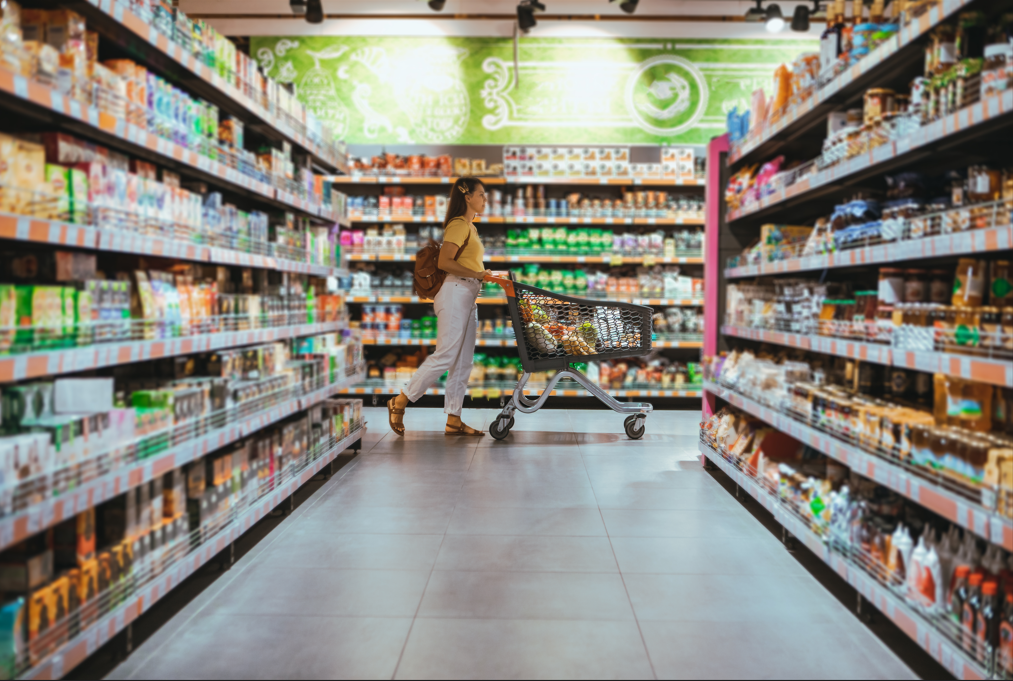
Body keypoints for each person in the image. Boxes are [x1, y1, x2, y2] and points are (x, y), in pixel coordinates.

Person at [387, 177, 491, 436]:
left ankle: (454, 418)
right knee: (445, 354)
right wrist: (477, 274)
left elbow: (467, 262)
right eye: (481, 194)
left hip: (467, 295)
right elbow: (445, 262)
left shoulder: (471, 227)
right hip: (455, 293)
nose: (485, 199)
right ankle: (400, 400)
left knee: (463, 361)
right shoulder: (458, 224)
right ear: (468, 197)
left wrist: (482, 274)